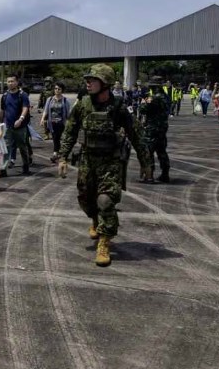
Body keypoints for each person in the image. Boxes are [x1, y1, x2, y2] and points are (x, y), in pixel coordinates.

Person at [58, 64, 150, 267]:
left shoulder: (118, 107)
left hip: (111, 162)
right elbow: (70, 131)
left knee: (105, 202)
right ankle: (95, 220)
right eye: (87, 80)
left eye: (93, 80)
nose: (88, 83)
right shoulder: (82, 104)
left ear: (105, 83)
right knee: (85, 198)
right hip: (88, 160)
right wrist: (63, 157)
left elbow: (136, 134)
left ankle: (104, 242)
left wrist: (146, 162)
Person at [138, 84, 171, 183]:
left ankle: (149, 175)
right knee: (161, 151)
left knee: (148, 150)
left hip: (152, 128)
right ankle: (165, 174)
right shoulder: (165, 97)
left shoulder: (154, 98)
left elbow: (143, 109)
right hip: (162, 127)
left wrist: (143, 103)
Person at [0, 75, 30, 176]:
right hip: (8, 126)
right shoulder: (4, 96)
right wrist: (0, 123)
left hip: (20, 126)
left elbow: (25, 108)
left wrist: (21, 119)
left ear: (17, 82)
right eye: (8, 81)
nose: (10, 83)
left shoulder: (23, 95)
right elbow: (3, 110)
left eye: (12, 81)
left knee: (22, 146)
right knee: (6, 147)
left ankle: (26, 165)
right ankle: (3, 168)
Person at [40, 82, 71, 163]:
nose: (57, 90)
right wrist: (42, 119)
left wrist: (69, 123)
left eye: (59, 89)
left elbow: (68, 114)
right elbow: (46, 110)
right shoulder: (49, 99)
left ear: (62, 90)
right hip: (52, 123)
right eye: (56, 89)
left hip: (61, 123)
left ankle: (57, 154)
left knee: (59, 138)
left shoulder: (65, 100)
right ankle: (57, 154)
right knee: (55, 138)